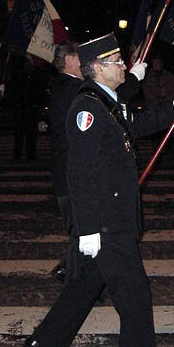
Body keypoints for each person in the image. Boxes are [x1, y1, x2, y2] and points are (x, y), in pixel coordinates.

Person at [24, 33, 174, 347]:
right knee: (134, 291)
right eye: (117, 62)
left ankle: (45, 341)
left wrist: (173, 109)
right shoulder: (86, 108)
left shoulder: (107, 101)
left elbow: (135, 126)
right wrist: (87, 229)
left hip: (112, 215)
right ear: (99, 68)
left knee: (87, 284)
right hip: (105, 221)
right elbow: (80, 174)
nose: (123, 66)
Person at [49, 41, 148, 283]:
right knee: (82, 233)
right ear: (71, 61)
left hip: (73, 176)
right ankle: (74, 279)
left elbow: (111, 101)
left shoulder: (70, 87)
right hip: (77, 179)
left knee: (83, 238)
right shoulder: (76, 90)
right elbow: (106, 102)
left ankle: (80, 279)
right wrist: (133, 80)